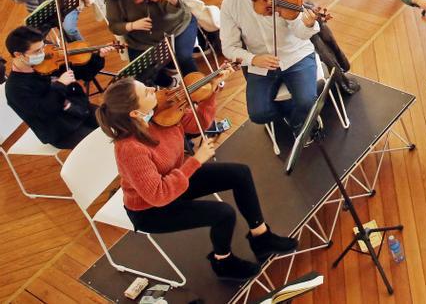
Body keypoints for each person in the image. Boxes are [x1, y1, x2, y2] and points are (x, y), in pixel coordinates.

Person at [96, 77, 297, 279]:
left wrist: (211, 92)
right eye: (146, 92)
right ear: (135, 113)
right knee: (223, 214)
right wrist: (197, 159)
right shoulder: (130, 149)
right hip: (151, 209)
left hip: (175, 179)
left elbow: (199, 123)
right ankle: (223, 262)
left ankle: (261, 238)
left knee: (240, 174)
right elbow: (159, 195)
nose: (153, 88)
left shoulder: (162, 113)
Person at [220, 0, 320, 143]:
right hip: (261, 62)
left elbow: (299, 31)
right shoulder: (230, 4)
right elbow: (229, 48)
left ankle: (299, 123)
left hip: (295, 54)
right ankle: (296, 115)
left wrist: (307, 24)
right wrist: (254, 59)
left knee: (307, 100)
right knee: (258, 114)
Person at [4, 25, 109, 149]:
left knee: (115, 124)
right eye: (37, 51)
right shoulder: (15, 89)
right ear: (18, 54)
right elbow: (43, 112)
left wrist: (98, 58)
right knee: (100, 145)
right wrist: (60, 85)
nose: (43, 53)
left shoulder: (49, 60)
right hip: (61, 129)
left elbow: (84, 74)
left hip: (80, 108)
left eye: (42, 47)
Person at [102, 0, 201, 83]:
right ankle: (170, 83)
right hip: (143, 42)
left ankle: (199, 87)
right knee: (141, 73)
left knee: (184, 58)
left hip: (177, 27)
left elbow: (174, 11)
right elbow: (114, 26)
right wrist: (132, 25)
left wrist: (172, 1)